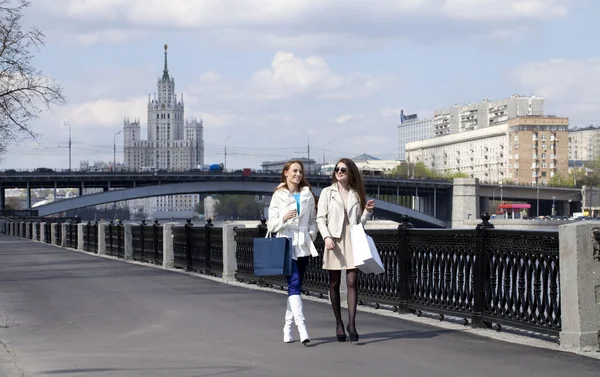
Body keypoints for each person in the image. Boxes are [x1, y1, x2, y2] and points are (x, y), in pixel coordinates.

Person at [316, 158, 375, 342]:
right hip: (333, 239)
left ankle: (352, 324)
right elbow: (320, 218)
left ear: (350, 173)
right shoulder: (327, 192)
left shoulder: (356, 194)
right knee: (334, 283)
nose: (339, 171)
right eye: (337, 169)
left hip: (351, 240)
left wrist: (367, 212)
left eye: (343, 169)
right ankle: (339, 323)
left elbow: (358, 224)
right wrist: (326, 237)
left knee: (352, 281)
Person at [267, 160, 319, 345]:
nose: (298, 174)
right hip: (286, 243)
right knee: (294, 284)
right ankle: (302, 329)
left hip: (303, 244)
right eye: (294, 171)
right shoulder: (278, 196)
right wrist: (284, 218)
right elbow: (271, 224)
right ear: (286, 173)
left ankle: (287, 328)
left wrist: (311, 234)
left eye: (300, 171)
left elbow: (313, 220)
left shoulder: (307, 195)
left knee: (294, 288)